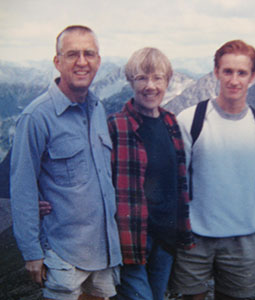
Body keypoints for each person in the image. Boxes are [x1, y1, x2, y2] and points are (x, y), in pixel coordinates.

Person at [10, 25, 121, 300]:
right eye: (72, 54)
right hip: (64, 254)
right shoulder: (37, 117)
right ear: (57, 62)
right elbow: (22, 187)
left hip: (104, 251)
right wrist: (31, 252)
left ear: (99, 61)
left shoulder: (97, 108)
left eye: (89, 54)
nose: (82, 62)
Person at [170, 40, 255, 300]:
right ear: (216, 71)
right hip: (195, 236)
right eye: (227, 71)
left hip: (244, 240)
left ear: (252, 77)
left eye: (242, 73)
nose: (234, 80)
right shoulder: (190, 120)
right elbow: (177, 180)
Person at [107, 47, 194, 300]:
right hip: (132, 238)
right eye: (142, 78)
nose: (150, 86)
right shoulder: (116, 125)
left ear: (167, 81)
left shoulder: (171, 123)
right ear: (130, 82)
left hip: (165, 237)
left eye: (157, 78)